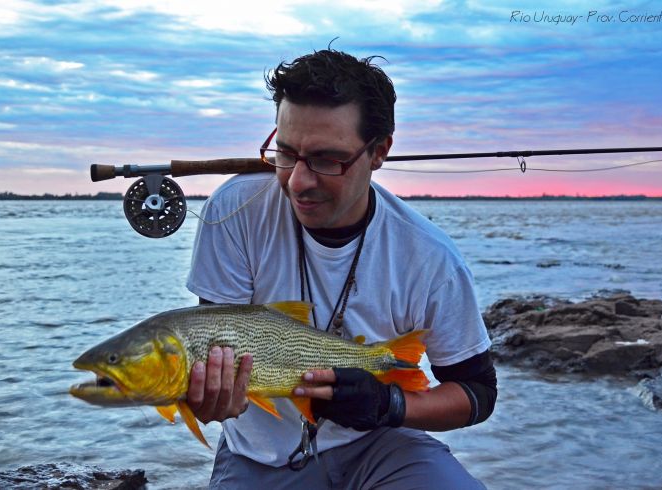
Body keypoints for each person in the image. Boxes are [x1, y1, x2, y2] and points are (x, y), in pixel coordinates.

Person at [186, 48, 497, 489]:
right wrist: (210, 399)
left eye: (328, 159)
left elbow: (478, 394)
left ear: (379, 151)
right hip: (258, 455)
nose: (298, 181)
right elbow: (215, 354)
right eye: (286, 152)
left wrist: (389, 405)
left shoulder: (429, 257)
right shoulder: (235, 210)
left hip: (382, 447)